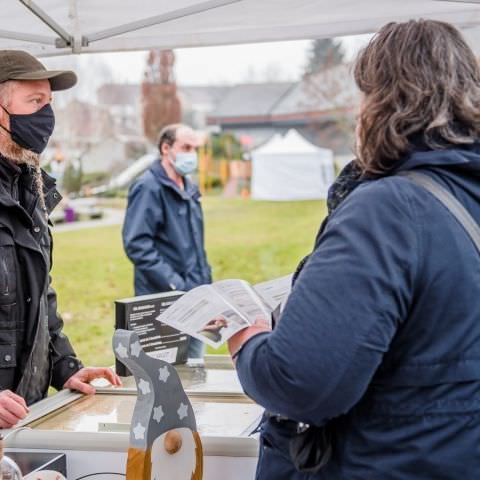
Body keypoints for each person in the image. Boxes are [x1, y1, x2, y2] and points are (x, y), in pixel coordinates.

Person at [228, 20, 480, 479]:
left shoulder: (391, 208)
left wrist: (247, 342)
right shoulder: (463, 194)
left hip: (380, 461)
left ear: (384, 98)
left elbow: (300, 382)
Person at [0, 50, 121, 429]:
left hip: (27, 414)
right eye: (34, 102)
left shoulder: (29, 187)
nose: (45, 117)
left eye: (49, 103)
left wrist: (65, 366)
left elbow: (39, 295)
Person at [122, 124, 212, 359]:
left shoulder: (189, 187)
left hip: (196, 298)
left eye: (194, 148)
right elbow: (137, 244)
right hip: (162, 302)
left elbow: (195, 245)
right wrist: (176, 285)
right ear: (165, 148)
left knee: (195, 372)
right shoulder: (148, 187)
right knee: (165, 379)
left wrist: (206, 288)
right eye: (185, 147)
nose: (191, 153)